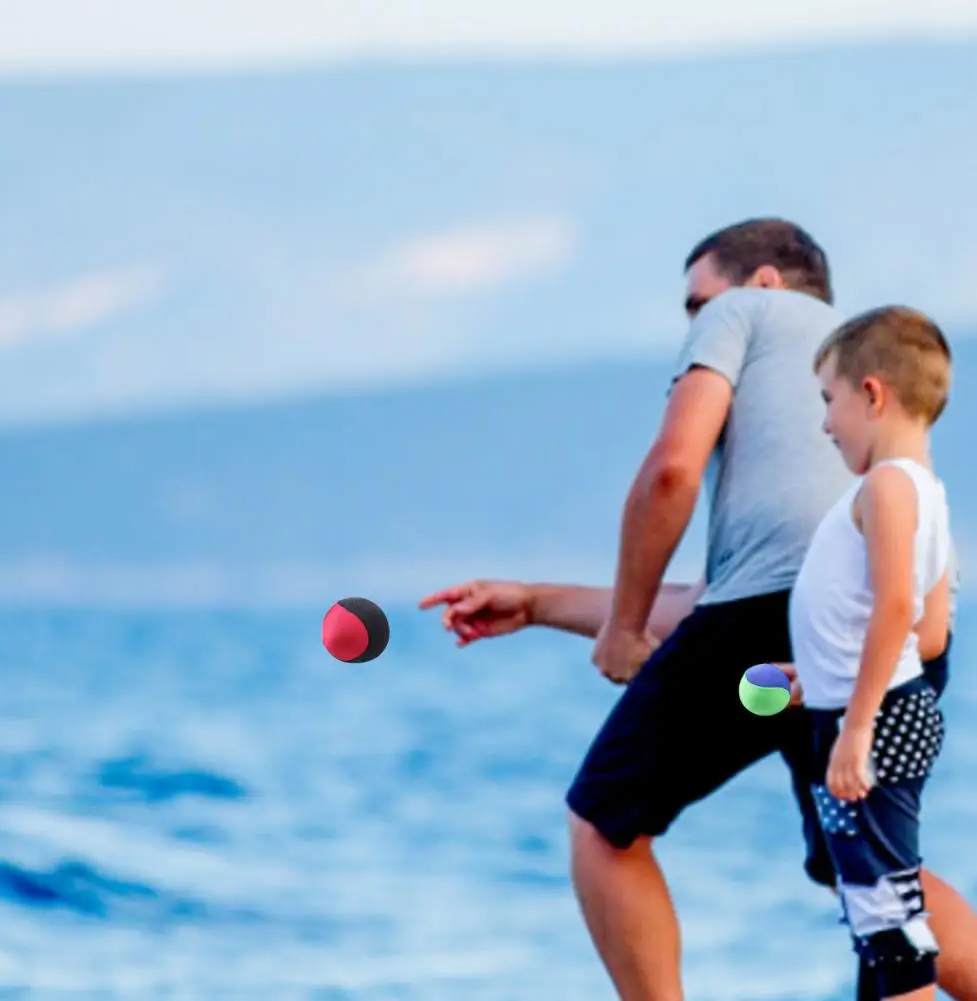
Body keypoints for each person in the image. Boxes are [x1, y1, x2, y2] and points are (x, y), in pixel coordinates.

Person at [418, 218, 977, 1001]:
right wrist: (541, 602)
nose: (690, 328)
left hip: (786, 632)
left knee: (603, 824)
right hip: (887, 655)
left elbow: (672, 473)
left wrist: (621, 628)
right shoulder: (880, 422)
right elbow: (728, 608)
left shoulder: (743, 314)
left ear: (764, 282)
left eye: (694, 303)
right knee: (874, 869)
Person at [790, 306, 952, 1001]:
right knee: (870, 899)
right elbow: (929, 632)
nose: (825, 423)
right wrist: (826, 675)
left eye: (828, 400)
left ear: (872, 394)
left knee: (887, 915)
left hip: (873, 723)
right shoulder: (927, 492)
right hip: (872, 706)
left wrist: (855, 725)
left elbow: (893, 606)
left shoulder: (885, 486)